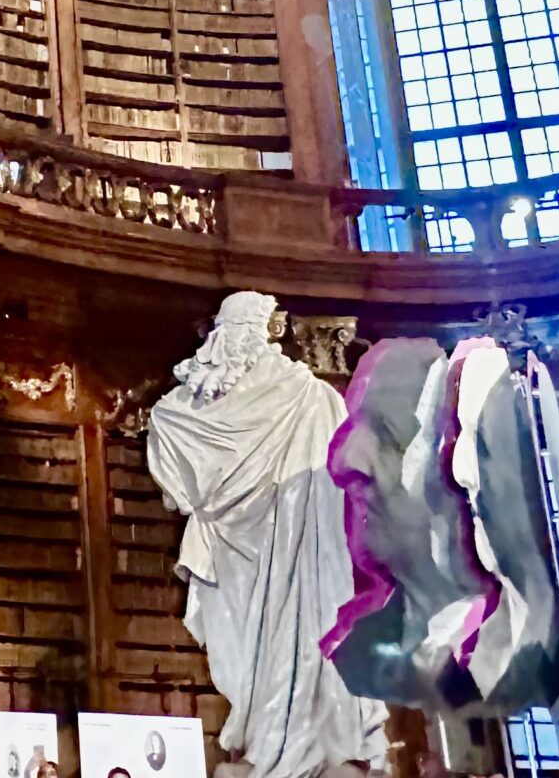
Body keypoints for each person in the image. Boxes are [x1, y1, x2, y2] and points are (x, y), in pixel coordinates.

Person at [145, 292, 384, 778]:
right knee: (266, 645)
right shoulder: (312, 396)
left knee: (280, 640)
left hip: (303, 549)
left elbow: (168, 427)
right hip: (277, 557)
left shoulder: (304, 398)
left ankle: (294, 741)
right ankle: (282, 739)